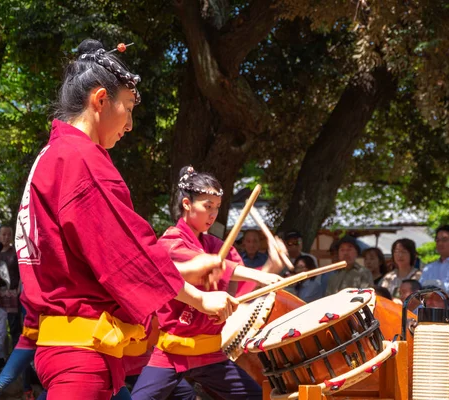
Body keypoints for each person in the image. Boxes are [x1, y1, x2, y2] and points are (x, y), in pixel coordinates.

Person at [14, 38, 237, 400]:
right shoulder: (79, 160)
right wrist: (199, 298)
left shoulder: (52, 155)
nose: (130, 124)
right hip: (81, 352)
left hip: (69, 343)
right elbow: (126, 253)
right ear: (100, 100)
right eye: (129, 108)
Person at [131, 166, 281, 400]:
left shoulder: (215, 244)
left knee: (254, 397)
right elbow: (199, 266)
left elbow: (234, 282)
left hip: (210, 352)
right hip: (172, 351)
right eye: (207, 206)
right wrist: (256, 274)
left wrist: (267, 269)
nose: (213, 214)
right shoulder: (171, 242)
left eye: (217, 208)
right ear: (187, 204)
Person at [0, 225, 21, 344]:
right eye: (3, 234)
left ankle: (16, 353)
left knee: (14, 325)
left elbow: (22, 272)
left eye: (9, 235)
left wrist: (19, 289)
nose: (6, 237)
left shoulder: (16, 252)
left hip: (13, 293)